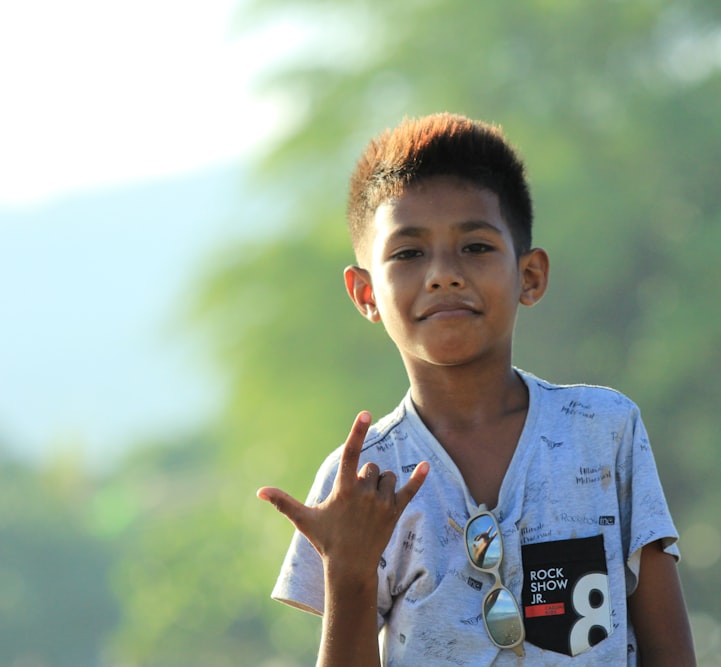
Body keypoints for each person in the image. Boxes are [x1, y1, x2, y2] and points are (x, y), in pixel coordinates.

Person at [257, 113, 696, 666]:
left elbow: (670, 652)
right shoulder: (364, 478)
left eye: (476, 247)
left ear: (530, 275)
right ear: (365, 292)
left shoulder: (602, 431)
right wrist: (348, 573)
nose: (443, 273)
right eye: (408, 253)